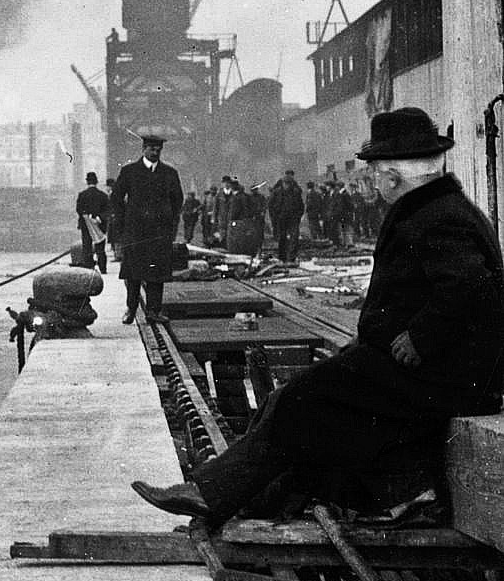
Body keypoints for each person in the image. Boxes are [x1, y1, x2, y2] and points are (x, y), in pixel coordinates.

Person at [132, 107, 504, 524]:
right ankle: (244, 500)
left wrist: (420, 337)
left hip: (440, 375)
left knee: (297, 400)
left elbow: (472, 287)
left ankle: (211, 493)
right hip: (430, 369)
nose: (373, 181)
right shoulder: (435, 209)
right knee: (299, 404)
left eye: (376, 173)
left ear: (394, 177)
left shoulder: (437, 219)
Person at [107, 133, 184, 324]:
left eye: (158, 150)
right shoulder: (130, 171)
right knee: (133, 274)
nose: (155, 152)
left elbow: (177, 200)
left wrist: (170, 222)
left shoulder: (169, 173)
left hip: (159, 233)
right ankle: (131, 309)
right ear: (143, 149)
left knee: (156, 275)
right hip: (136, 232)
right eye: (152, 149)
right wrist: (125, 221)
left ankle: (153, 311)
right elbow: (116, 197)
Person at [75, 171, 110, 274]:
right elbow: (108, 210)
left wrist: (87, 216)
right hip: (100, 224)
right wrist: (98, 218)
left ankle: (89, 267)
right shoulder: (103, 195)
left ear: (87, 182)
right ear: (96, 182)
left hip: (85, 225)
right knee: (100, 248)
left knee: (87, 246)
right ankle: (103, 269)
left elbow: (79, 210)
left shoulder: (82, 195)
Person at [270, 169, 305, 264]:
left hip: (293, 218)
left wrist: (298, 216)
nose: (287, 185)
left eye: (288, 184)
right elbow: (271, 206)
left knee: (294, 237)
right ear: (283, 183)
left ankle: (291, 258)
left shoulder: (296, 192)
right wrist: (274, 218)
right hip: (281, 218)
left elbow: (301, 206)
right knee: (282, 237)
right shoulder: (276, 192)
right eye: (285, 183)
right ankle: (282, 257)